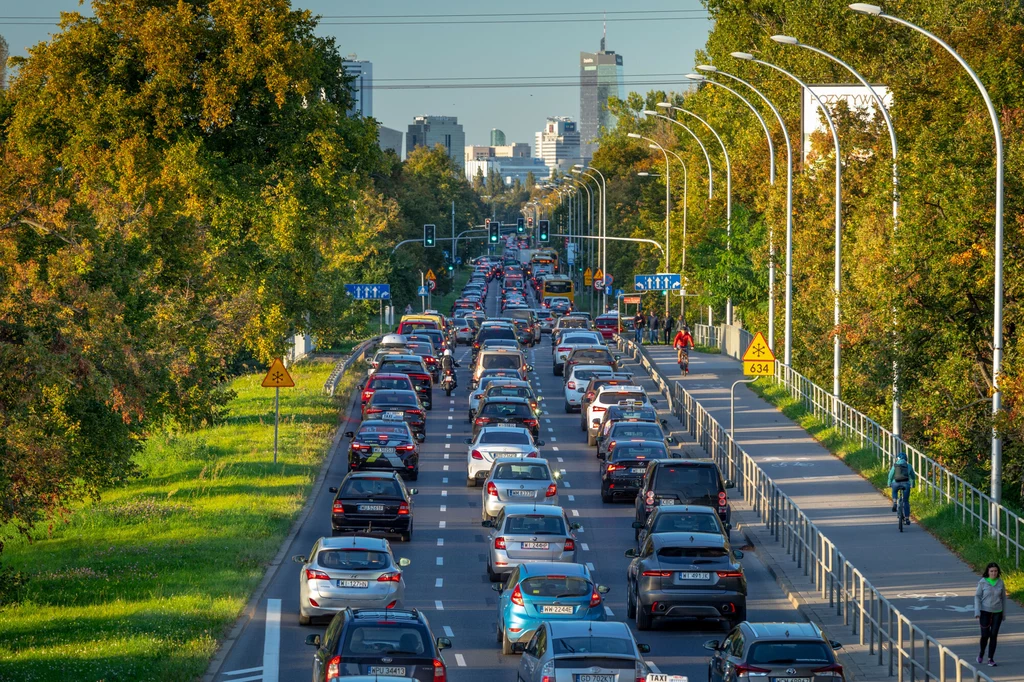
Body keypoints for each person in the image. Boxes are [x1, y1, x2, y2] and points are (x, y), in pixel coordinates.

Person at [975, 562, 1006, 667]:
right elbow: (977, 597)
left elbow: (1004, 599)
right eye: (991, 571)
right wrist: (977, 611)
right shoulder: (982, 582)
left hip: (997, 612)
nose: (994, 573)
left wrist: (1004, 613)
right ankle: (981, 653)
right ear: (988, 572)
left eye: (996, 571)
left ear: (998, 572)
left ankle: (990, 658)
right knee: (985, 635)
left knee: (993, 635)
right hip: (984, 612)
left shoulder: (1000, 582)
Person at [887, 452, 915, 523]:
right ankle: (907, 518)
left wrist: (889, 483)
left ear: (897, 458)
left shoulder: (895, 465)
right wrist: (913, 484)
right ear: (906, 459)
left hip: (896, 483)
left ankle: (895, 502)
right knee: (906, 501)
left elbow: (890, 475)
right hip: (906, 484)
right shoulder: (909, 466)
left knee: (894, 490)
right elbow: (913, 477)